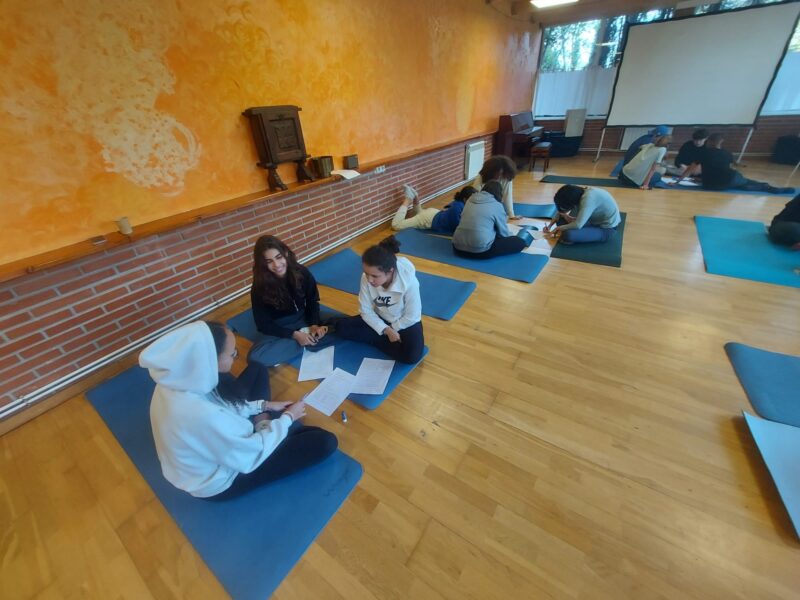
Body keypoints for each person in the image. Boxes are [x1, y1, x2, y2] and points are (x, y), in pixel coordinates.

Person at [142, 320, 338, 499]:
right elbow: (250, 455)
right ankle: (264, 425)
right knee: (324, 441)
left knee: (258, 369)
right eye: (232, 354)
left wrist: (265, 405)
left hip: (218, 445)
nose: (236, 357)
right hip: (222, 480)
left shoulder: (181, 378)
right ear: (210, 360)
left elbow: (221, 405)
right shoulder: (200, 415)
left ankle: (264, 423)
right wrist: (288, 417)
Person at [335, 236, 424, 364]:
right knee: (341, 328)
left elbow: (412, 316)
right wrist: (386, 330)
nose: (369, 279)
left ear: (390, 271)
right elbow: (365, 310)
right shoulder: (366, 278)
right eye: (366, 273)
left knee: (411, 357)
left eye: (375, 276)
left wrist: (393, 328)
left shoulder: (410, 282)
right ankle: (377, 337)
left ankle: (373, 336)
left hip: (402, 321)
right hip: (381, 317)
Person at [247, 235, 330, 367]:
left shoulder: (301, 272)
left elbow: (313, 300)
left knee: (342, 322)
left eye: (279, 257)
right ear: (263, 264)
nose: (276, 265)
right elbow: (263, 324)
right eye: (269, 261)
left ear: (285, 253)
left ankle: (309, 335)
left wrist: (314, 323)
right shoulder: (259, 287)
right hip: (281, 327)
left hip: (304, 317)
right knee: (255, 357)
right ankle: (308, 338)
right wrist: (294, 335)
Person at [676, 133, 795, 195]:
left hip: (710, 185)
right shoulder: (727, 154)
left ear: (709, 141)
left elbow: (690, 169)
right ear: (721, 142)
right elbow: (722, 170)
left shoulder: (703, 153)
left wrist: (678, 182)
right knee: (744, 181)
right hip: (726, 181)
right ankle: (767, 187)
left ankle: (766, 187)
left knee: (742, 183)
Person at [452, 181, 530, 258]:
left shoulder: (469, 200)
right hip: (480, 251)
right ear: (499, 194)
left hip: (457, 248)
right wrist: (512, 237)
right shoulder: (497, 205)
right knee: (520, 242)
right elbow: (504, 233)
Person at [543, 185, 621, 244]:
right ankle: (577, 232)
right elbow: (560, 212)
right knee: (562, 219)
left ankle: (576, 234)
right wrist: (549, 226)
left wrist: (558, 228)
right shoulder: (578, 193)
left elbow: (578, 225)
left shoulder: (588, 199)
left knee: (568, 235)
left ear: (571, 203)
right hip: (593, 221)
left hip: (607, 229)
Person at [391, 185, 476, 234]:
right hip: (429, 219)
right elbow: (458, 229)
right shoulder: (457, 207)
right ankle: (408, 198)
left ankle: (415, 196)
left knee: (419, 214)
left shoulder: (460, 204)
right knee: (396, 225)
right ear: (465, 199)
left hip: (433, 214)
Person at [472, 155, 520, 219]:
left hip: (494, 205)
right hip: (481, 206)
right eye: (498, 173)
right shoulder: (482, 176)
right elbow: (475, 195)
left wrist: (511, 215)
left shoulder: (506, 178)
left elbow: (507, 195)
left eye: (501, 174)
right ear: (492, 171)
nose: (499, 176)